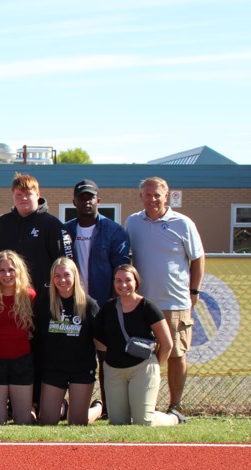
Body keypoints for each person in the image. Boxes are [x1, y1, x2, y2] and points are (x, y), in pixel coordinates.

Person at [125, 176, 204, 418]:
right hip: (142, 304)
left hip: (175, 302)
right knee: (143, 355)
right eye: (147, 195)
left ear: (166, 196)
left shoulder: (183, 223)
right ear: (141, 197)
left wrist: (194, 291)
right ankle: (146, 405)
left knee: (176, 354)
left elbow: (198, 258)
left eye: (157, 194)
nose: (152, 199)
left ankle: (175, 405)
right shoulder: (132, 222)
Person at [64, 179, 130, 418]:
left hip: (103, 306)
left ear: (98, 201)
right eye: (82, 197)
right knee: (73, 358)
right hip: (73, 308)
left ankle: (109, 407)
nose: (87, 201)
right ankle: (71, 406)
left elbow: (121, 270)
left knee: (106, 360)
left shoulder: (114, 231)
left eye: (91, 197)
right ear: (74, 202)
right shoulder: (65, 231)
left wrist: (114, 306)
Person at [92, 265, 184, 425]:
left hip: (142, 368)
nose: (123, 285)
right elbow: (97, 335)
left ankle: (174, 417)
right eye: (118, 281)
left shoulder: (147, 307)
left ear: (136, 282)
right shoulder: (108, 307)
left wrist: (154, 367)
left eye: (128, 280)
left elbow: (167, 343)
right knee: (118, 423)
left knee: (144, 421)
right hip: (114, 371)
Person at [33, 257, 103, 425]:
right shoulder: (44, 303)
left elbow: (100, 341)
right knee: (47, 422)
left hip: (81, 370)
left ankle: (98, 408)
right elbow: (37, 338)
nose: (62, 280)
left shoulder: (89, 305)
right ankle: (62, 406)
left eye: (66, 275)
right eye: (57, 276)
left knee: (77, 423)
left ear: (75, 276)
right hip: (53, 369)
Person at [0, 173, 72, 292]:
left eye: (28, 194)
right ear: (13, 196)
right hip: (8, 296)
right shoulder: (0, 224)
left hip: (43, 297)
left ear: (37, 195)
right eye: (19, 194)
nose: (23, 198)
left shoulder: (52, 225)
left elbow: (67, 262)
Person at [0, 250, 35, 425]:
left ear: (19, 271)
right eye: (1, 270)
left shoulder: (29, 296)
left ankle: (34, 411)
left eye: (11, 269)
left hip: (22, 360)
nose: (7, 274)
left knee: (23, 421)